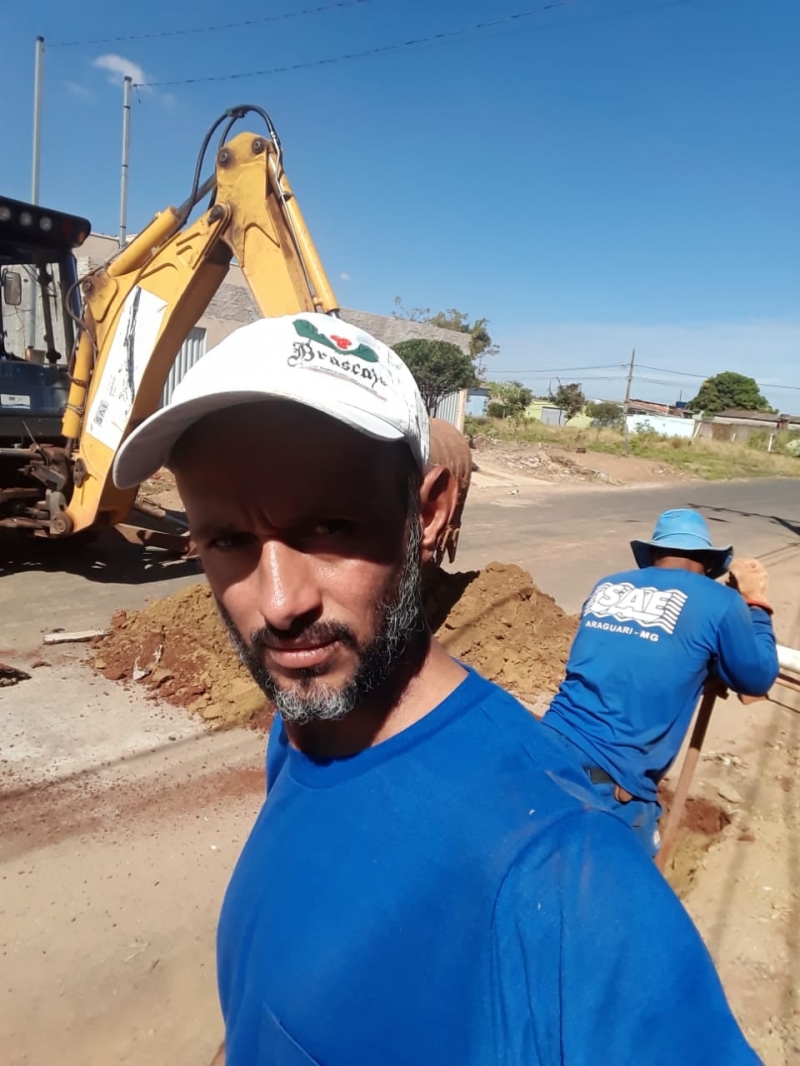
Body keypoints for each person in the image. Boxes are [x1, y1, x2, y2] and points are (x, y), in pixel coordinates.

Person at [114, 316, 760, 1065]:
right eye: (226, 540)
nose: (280, 602)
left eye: (328, 526)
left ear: (428, 513)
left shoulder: (569, 876)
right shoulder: (299, 739)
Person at [542, 508, 779, 858]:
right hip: (613, 780)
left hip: (544, 744)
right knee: (628, 895)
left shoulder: (606, 585)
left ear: (653, 555)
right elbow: (757, 676)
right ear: (708, 565)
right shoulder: (721, 602)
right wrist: (756, 604)